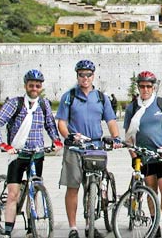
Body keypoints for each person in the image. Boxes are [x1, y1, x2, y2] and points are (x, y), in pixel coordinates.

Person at [0, 69, 63, 238]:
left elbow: (50, 125)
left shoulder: (44, 105)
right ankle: (8, 230)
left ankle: (32, 228)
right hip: (18, 153)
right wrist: (2, 144)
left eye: (37, 85)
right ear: (25, 86)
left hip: (36, 154)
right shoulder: (14, 104)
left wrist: (56, 141)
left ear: (41, 87)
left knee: (35, 190)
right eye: (31, 85)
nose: (34, 88)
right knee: (13, 193)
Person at [56, 59, 123, 238]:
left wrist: (116, 138)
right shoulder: (68, 96)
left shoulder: (101, 98)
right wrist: (68, 136)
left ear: (94, 76)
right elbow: (61, 123)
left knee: (92, 186)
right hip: (74, 148)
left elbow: (111, 121)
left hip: (95, 146)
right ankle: (73, 227)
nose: (85, 78)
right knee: (73, 187)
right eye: (81, 75)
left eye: (88, 74)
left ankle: (89, 225)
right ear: (77, 76)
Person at [124, 71, 162, 238]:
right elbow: (128, 136)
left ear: (153, 87)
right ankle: (155, 225)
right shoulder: (132, 107)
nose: (145, 89)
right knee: (151, 191)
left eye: (148, 86)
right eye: (142, 86)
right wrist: (134, 156)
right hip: (144, 155)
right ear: (138, 87)